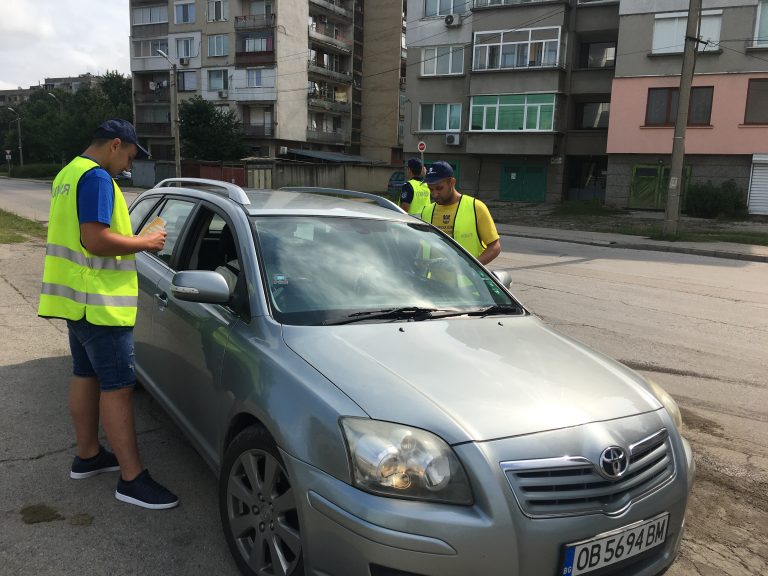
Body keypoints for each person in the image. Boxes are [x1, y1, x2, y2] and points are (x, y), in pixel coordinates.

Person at [38, 119, 178, 510]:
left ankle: (88, 455)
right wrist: (144, 241)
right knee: (117, 387)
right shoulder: (98, 179)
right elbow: (94, 239)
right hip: (99, 303)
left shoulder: (68, 172)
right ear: (116, 144)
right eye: (130, 156)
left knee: (84, 375)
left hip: (76, 302)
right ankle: (132, 480)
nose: (128, 166)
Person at [421, 160, 501, 265]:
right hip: (434, 280)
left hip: (467, 281)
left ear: (452, 183)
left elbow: (495, 247)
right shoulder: (427, 212)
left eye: (439, 188)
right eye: (431, 189)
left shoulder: (476, 207)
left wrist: (471, 269)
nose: (435, 194)